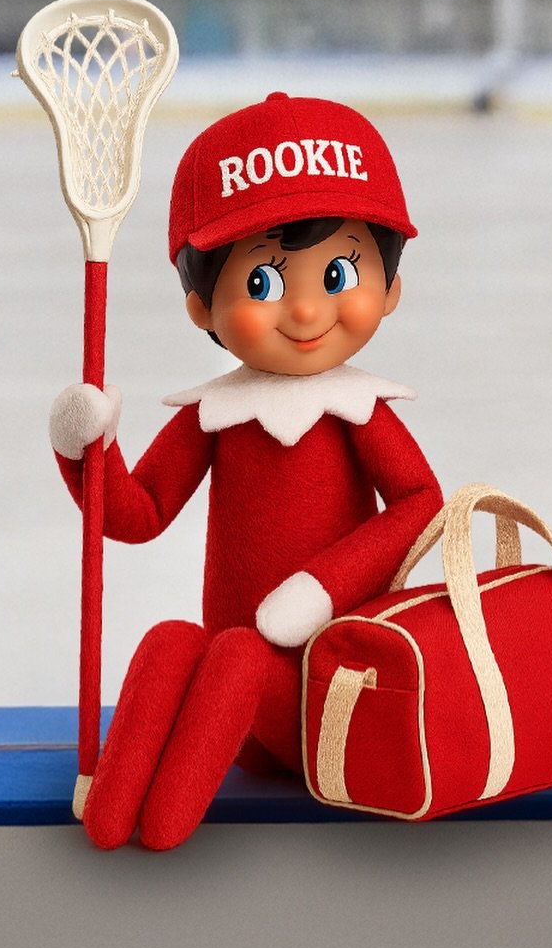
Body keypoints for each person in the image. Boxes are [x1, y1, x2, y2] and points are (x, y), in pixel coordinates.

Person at [49, 92, 442, 850]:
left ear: (390, 289)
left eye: (339, 275)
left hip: (335, 697)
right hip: (243, 723)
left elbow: (419, 503)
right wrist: (87, 449)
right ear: (202, 307)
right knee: (174, 642)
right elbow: (137, 514)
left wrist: (323, 586)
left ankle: (163, 828)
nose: (306, 312)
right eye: (262, 284)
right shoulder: (216, 415)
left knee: (234, 654)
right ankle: (108, 812)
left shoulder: (357, 410)